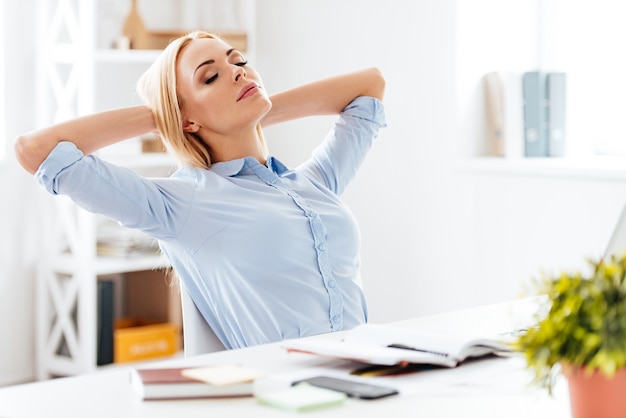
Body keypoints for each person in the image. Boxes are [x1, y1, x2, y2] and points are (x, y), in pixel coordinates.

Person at [15, 31, 386, 349]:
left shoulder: (314, 183)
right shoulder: (183, 203)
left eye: (238, 61)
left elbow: (370, 86)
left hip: (372, 376)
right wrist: (163, 117)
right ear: (185, 118)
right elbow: (36, 150)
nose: (238, 72)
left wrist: (253, 110)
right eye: (210, 78)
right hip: (291, 395)